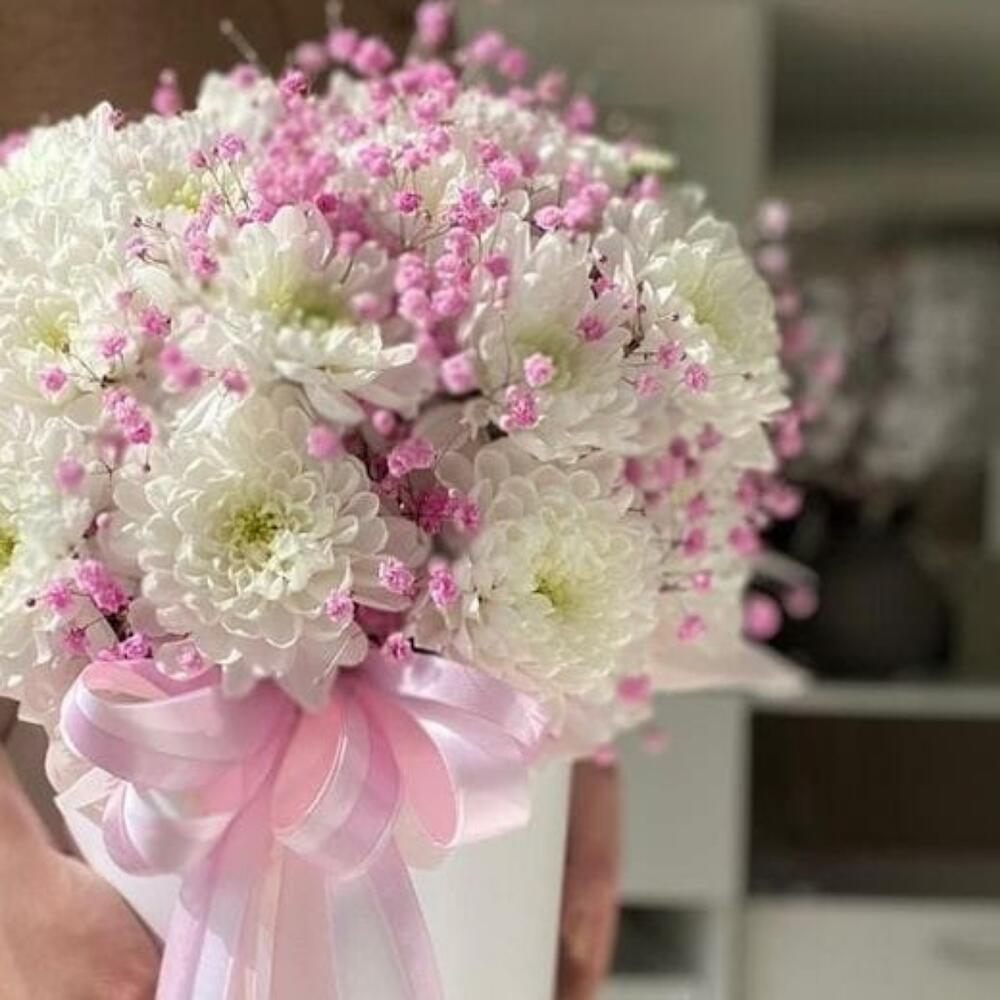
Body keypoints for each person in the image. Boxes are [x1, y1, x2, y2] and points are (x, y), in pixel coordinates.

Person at [0, 3, 621, 996]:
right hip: (80, 750)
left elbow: (509, 353)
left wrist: (587, 751)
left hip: (435, 746)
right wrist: (13, 889)